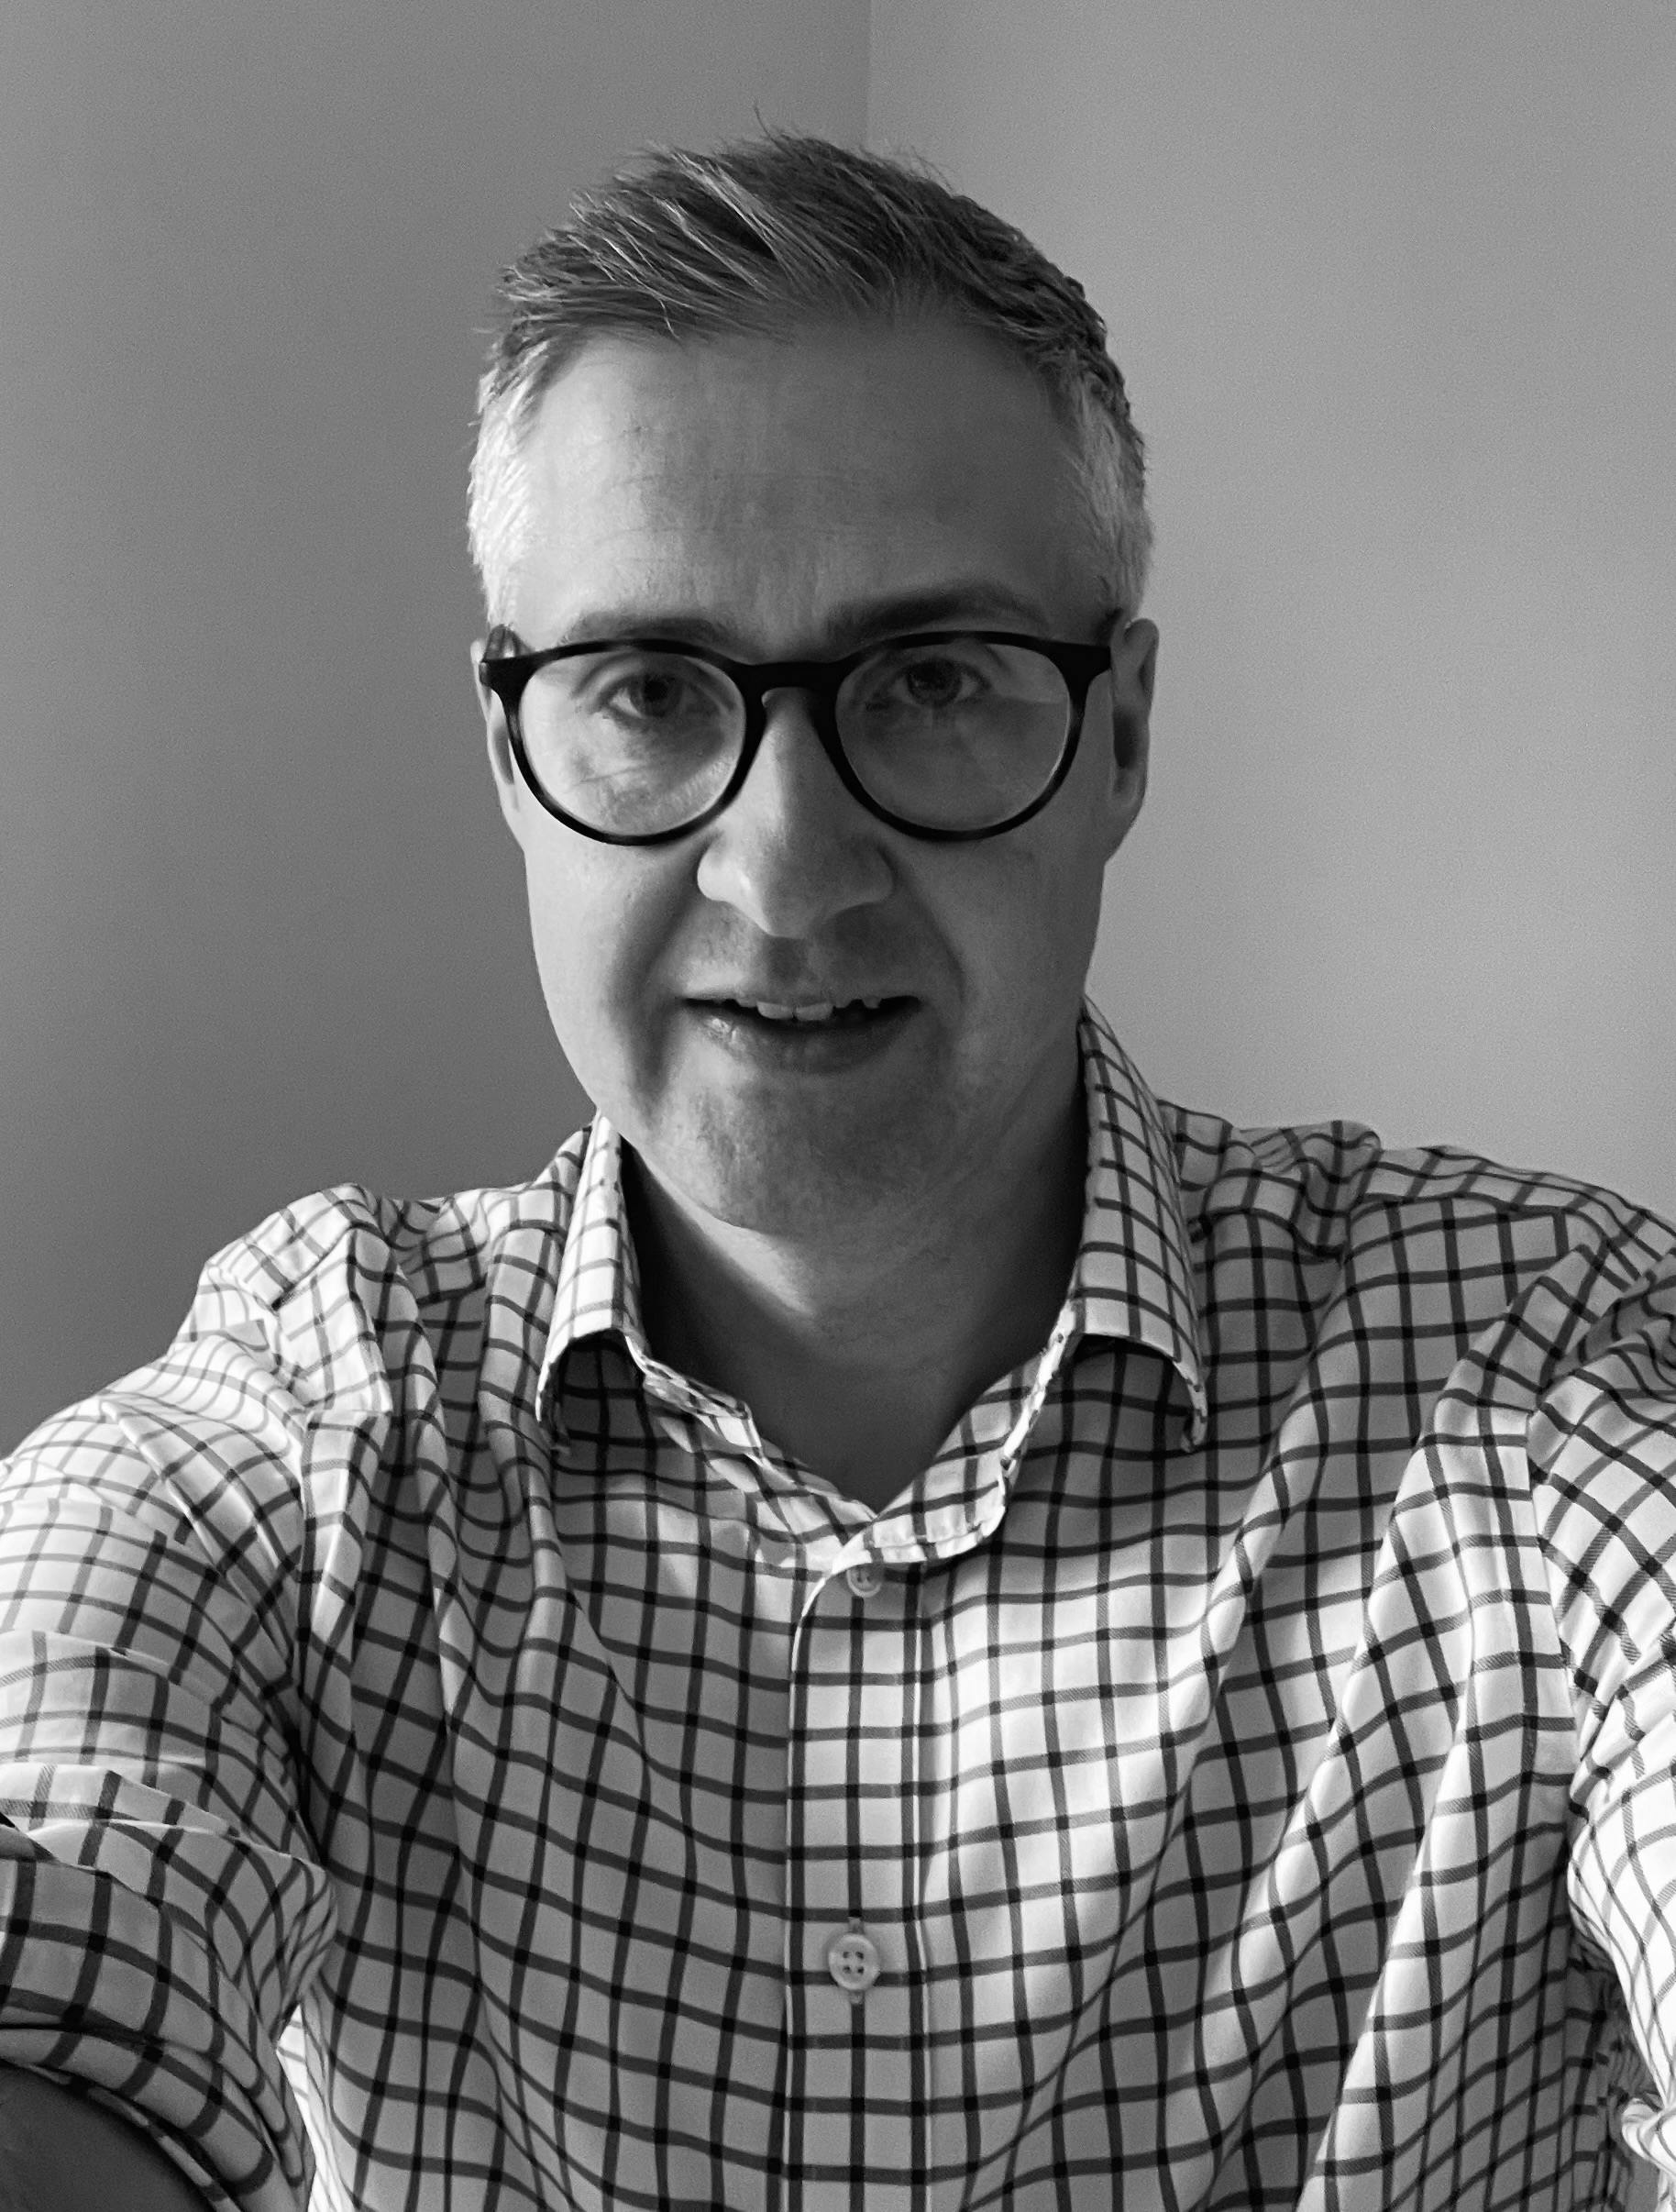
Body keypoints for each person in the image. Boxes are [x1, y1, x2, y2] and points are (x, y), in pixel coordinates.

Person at [1, 129, 1672, 2212]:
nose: (784, 871)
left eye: (934, 681)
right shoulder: (321, 1406)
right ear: (511, 748)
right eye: (646, 691)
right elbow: (64, 1837)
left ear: (1121, 738)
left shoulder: (1536, 1369)